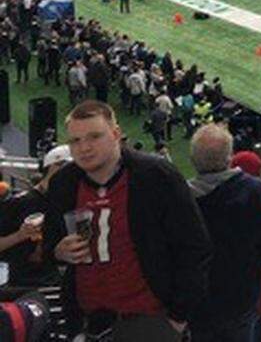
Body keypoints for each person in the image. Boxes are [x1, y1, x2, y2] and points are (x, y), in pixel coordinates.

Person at [43, 100, 211, 341]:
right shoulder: (64, 183)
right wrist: (59, 251)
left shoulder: (157, 176)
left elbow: (195, 248)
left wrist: (177, 318)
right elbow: (49, 246)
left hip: (149, 321)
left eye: (94, 137)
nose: (84, 148)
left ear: (116, 134)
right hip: (87, 321)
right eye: (75, 141)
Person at [188, 124, 261, 342]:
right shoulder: (257, 192)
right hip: (240, 296)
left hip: (197, 301)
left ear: (193, 159)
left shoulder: (181, 198)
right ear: (229, 157)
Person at [0, 144, 71, 286]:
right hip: (18, 283)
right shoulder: (20, 202)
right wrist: (20, 235)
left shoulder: (68, 203)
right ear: (51, 168)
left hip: (54, 279)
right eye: (63, 168)